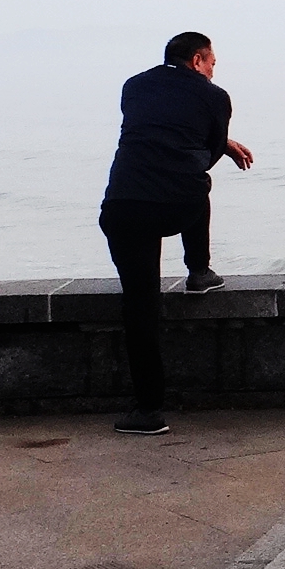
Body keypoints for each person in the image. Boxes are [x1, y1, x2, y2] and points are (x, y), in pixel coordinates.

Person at [98, 31, 254, 435]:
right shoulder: (215, 96)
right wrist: (224, 144)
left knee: (140, 305)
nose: (213, 70)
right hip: (178, 206)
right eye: (213, 63)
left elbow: (156, 130)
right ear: (199, 60)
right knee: (195, 181)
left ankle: (148, 411)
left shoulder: (134, 86)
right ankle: (199, 271)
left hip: (125, 204)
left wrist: (218, 143)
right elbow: (204, 147)